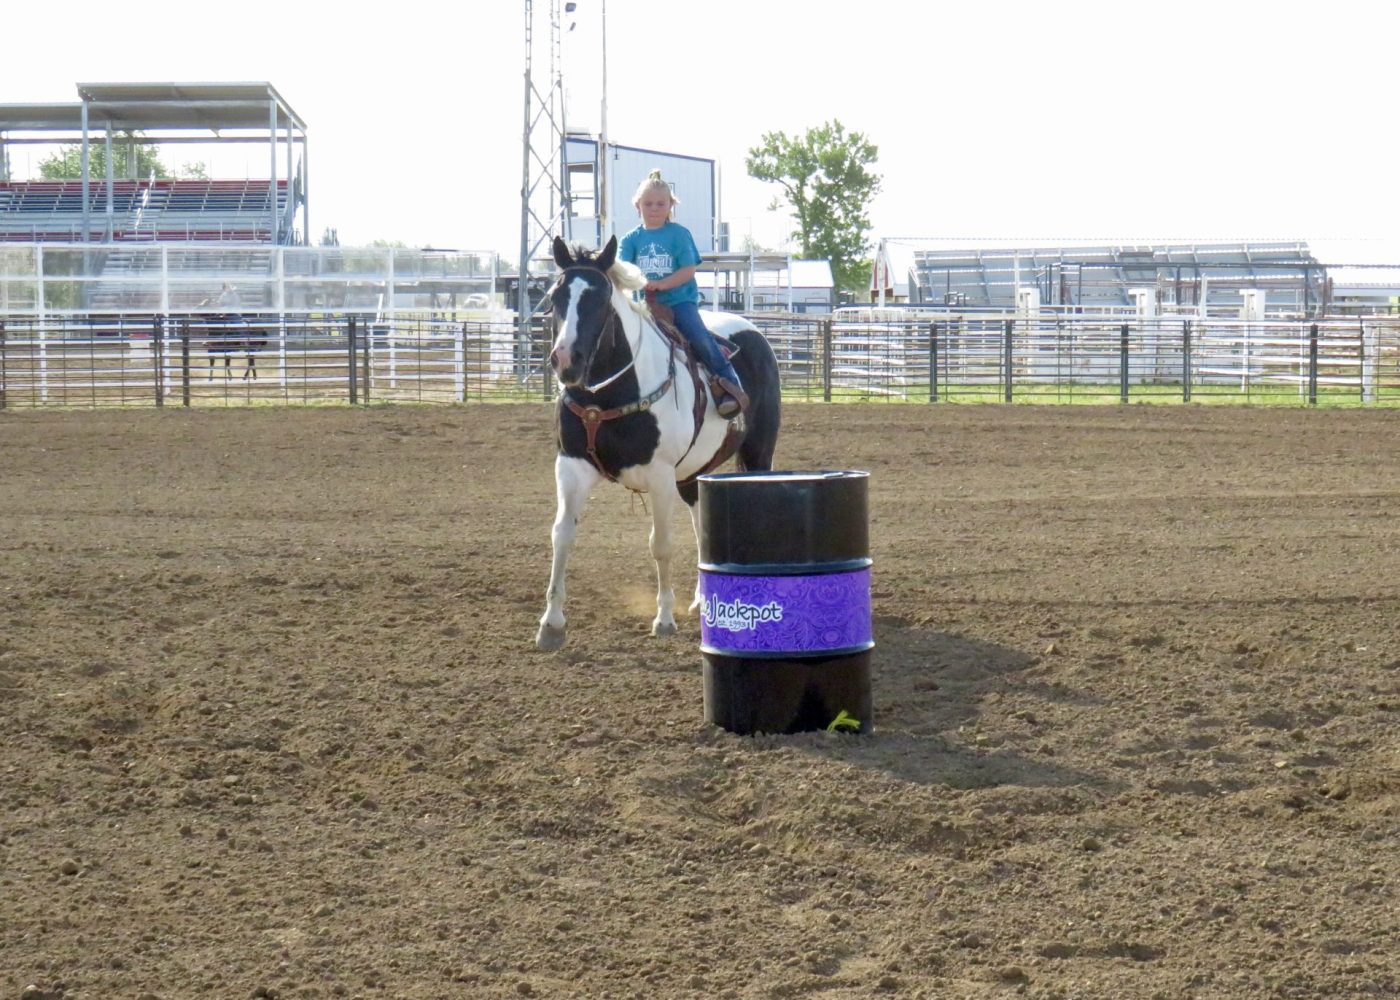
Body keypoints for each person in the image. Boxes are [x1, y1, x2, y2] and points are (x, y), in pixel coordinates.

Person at [619, 170, 748, 419]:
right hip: (641, 307)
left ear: (670, 206)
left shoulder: (679, 235)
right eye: (648, 204)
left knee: (699, 338)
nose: (654, 208)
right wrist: (640, 285)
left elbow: (688, 270)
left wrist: (662, 284)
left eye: (660, 203)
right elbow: (624, 272)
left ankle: (730, 387)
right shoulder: (630, 240)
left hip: (678, 302)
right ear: (637, 206)